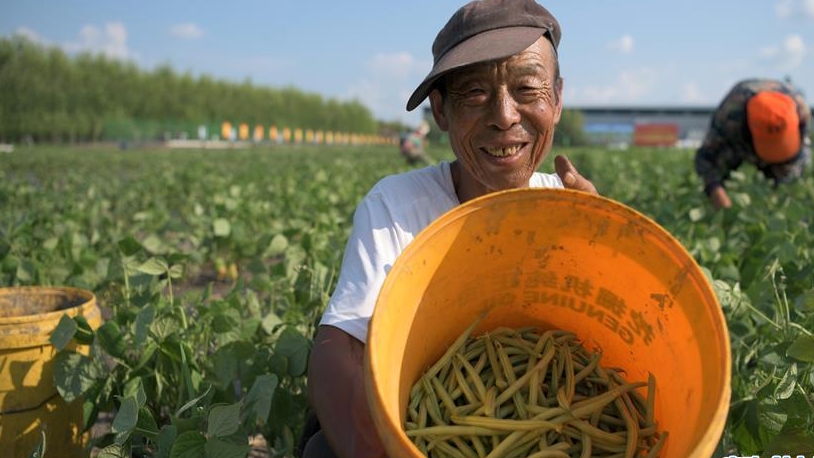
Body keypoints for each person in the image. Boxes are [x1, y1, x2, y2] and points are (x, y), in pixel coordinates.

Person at [301, 0, 597, 457]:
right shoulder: (398, 207)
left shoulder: (571, 209)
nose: (504, 115)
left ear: (556, 100)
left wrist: (600, 246)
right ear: (440, 111)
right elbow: (340, 349)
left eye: (527, 89)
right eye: (474, 93)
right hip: (423, 428)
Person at [695, 78, 811, 210]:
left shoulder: (801, 112)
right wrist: (717, 195)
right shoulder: (730, 115)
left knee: (790, 181)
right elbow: (706, 158)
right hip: (740, 135)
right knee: (720, 165)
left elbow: (798, 161)